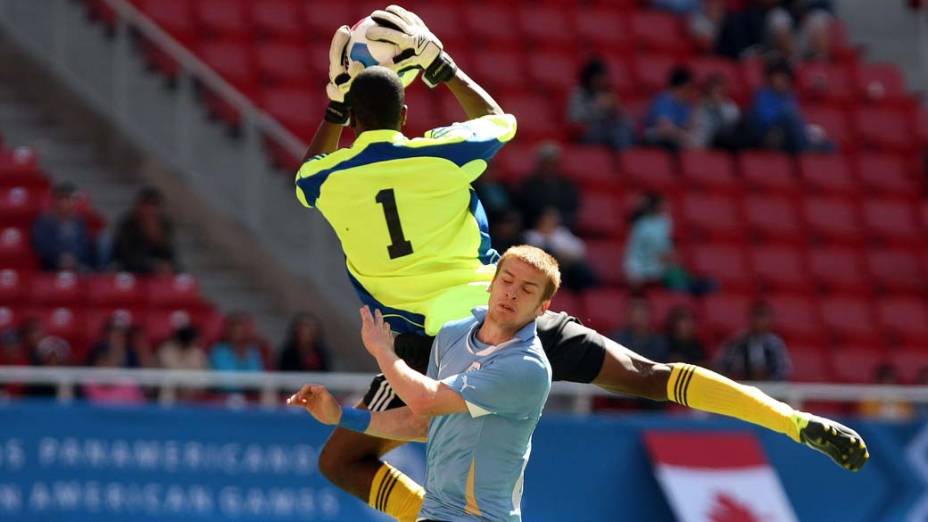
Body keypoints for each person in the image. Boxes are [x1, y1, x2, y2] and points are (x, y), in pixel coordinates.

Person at [296, 8, 867, 521]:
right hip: (507, 313)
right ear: (406, 108)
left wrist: (334, 102)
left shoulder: (325, 180)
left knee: (344, 462)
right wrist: (441, 65)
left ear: (353, 121)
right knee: (652, 377)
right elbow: (500, 119)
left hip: (422, 340)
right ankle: (792, 421)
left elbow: (312, 163)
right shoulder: (440, 154)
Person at [290, 246, 556, 521]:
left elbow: (425, 399)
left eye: (527, 289)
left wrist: (383, 351)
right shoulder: (453, 335)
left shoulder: (526, 367)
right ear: (492, 283)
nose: (512, 292)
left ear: (542, 307)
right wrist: (342, 416)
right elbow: (421, 421)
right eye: (507, 280)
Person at [523, 207, 598, 291]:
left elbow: (580, 250)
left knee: (581, 269)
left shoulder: (562, 233)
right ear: (540, 220)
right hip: (544, 270)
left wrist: (565, 256)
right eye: (547, 218)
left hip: (568, 267)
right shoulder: (532, 235)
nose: (550, 221)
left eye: (553, 219)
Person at [566, 58, 635, 150]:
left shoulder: (607, 93)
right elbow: (575, 117)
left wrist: (616, 110)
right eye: (601, 77)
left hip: (608, 131)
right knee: (618, 132)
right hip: (587, 134)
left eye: (605, 77)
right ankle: (627, 156)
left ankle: (628, 157)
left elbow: (626, 120)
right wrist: (597, 107)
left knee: (623, 128)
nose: (604, 80)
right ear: (592, 78)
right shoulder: (579, 93)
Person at [716, 302, 793, 381]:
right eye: (756, 316)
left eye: (763, 317)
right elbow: (723, 366)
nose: (759, 321)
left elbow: (783, 371)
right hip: (742, 385)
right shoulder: (737, 342)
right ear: (750, 318)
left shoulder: (775, 345)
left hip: (769, 388)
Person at [111, 186, 180, 274]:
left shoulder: (164, 224)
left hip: (156, 270)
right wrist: (152, 266)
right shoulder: (128, 224)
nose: (151, 210)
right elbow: (126, 256)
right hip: (130, 269)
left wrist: (159, 240)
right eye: (147, 205)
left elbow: (170, 255)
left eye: (154, 205)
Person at [515, 142, 581, 230]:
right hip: (534, 228)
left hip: (562, 229)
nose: (549, 167)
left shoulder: (567, 185)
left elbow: (572, 208)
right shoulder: (528, 185)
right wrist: (542, 219)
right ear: (540, 163)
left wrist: (557, 219)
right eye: (546, 162)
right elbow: (523, 208)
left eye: (553, 163)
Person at [31, 182, 95, 271]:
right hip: (53, 266)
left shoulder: (79, 222)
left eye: (73, 200)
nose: (71, 203)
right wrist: (60, 257)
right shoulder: (44, 222)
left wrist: (74, 257)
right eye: (66, 199)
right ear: (56, 201)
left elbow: (84, 244)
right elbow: (42, 245)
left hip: (78, 264)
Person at [642, 66, 697, 151]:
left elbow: (690, 126)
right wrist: (685, 136)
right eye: (687, 88)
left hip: (675, 138)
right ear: (678, 87)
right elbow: (664, 128)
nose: (690, 92)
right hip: (655, 136)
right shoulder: (663, 100)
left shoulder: (686, 105)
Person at [692, 73, 743, 150]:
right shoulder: (699, 105)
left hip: (724, 143)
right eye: (716, 89)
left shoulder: (731, 106)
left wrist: (718, 107)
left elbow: (732, 127)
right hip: (703, 140)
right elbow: (695, 126)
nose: (719, 92)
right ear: (710, 90)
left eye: (722, 90)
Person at [609, 296, 667, 363]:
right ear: (627, 314)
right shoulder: (616, 340)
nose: (640, 313)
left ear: (650, 313)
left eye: (643, 309)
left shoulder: (661, 342)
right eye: (635, 309)